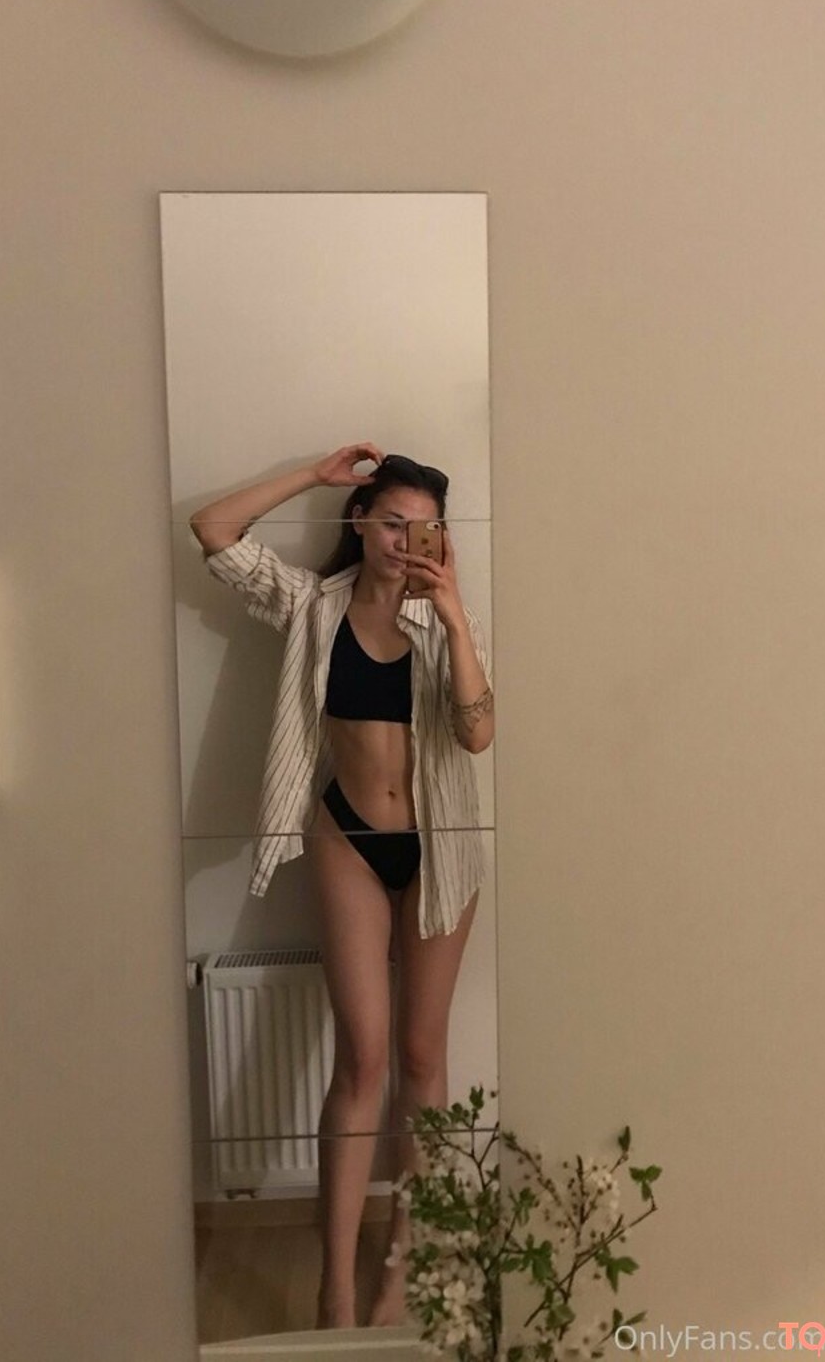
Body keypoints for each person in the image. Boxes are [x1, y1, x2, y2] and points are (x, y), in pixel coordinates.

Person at [188, 443, 494, 1330]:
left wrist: (455, 616)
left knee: (422, 1059)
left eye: (425, 528)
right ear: (360, 522)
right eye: (392, 521)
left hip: (440, 845)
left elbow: (477, 735)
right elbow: (213, 530)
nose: (406, 541)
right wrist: (314, 477)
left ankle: (400, 1268)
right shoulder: (312, 605)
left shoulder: (445, 618)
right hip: (348, 840)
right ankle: (335, 1286)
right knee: (361, 1059)